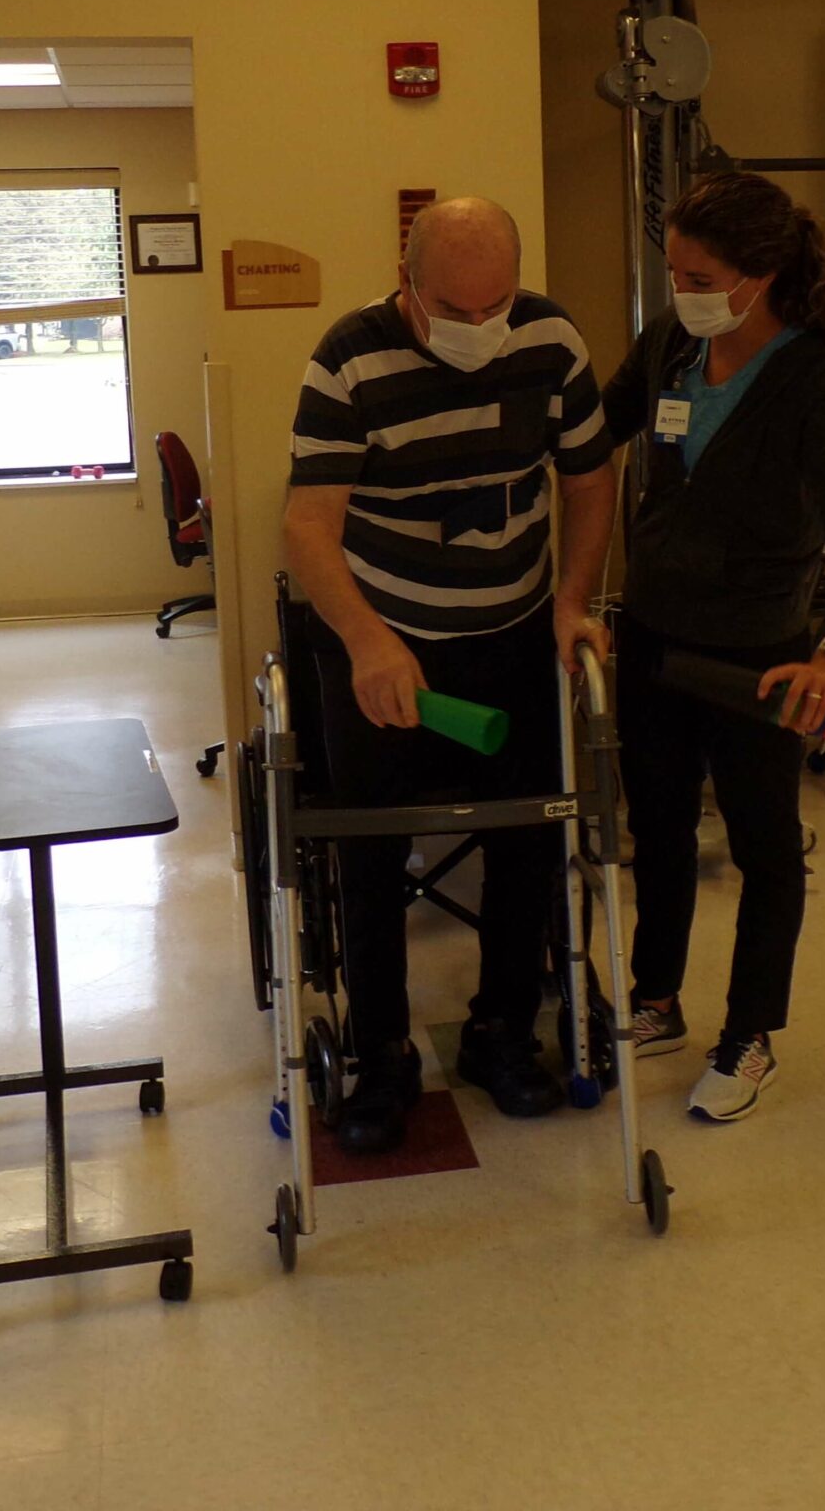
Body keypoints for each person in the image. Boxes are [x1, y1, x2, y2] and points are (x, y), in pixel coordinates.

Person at [284, 197, 617, 1156]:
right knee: (371, 849)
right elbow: (308, 526)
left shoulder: (551, 340)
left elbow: (590, 481)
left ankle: (501, 1030)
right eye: (454, 311)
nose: (479, 327)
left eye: (495, 307)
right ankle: (382, 1051)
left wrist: (572, 601)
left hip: (512, 630)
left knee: (526, 837)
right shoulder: (349, 358)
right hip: (384, 637)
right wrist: (368, 641)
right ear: (408, 284)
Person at [599, 172, 825, 1122]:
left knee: (766, 849)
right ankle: (656, 999)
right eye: (674, 273)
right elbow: (595, 429)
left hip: (759, 656)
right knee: (659, 828)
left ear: (758, 278)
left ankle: (751, 1034)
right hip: (652, 632)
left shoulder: (811, 382)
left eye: (700, 277)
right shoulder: (674, 344)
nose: (681, 290)